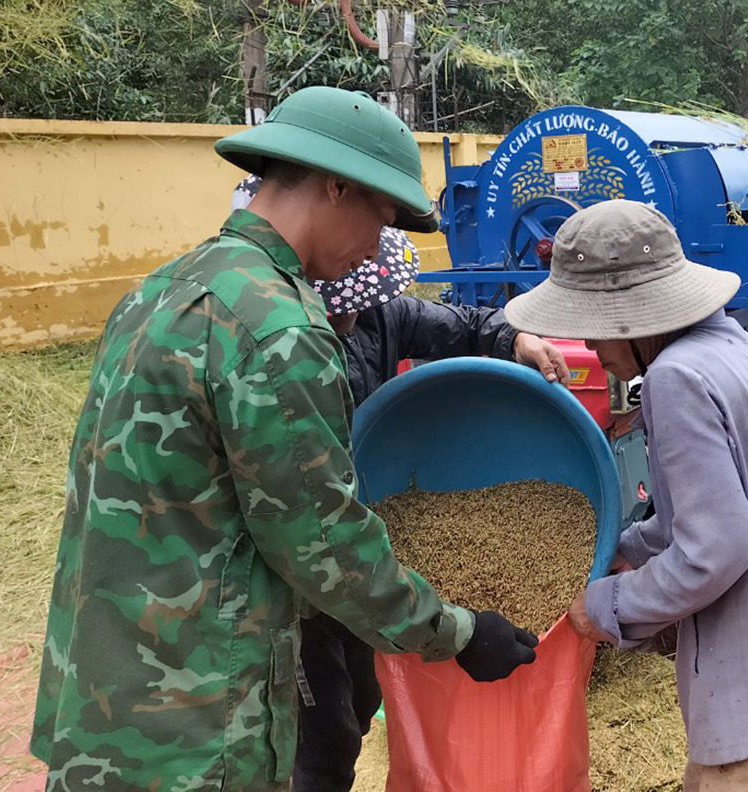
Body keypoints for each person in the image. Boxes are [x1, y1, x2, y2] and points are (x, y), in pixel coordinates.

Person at [30, 86, 540, 792]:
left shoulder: (163, 289)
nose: (376, 246)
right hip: (198, 713)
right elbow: (323, 544)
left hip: (104, 693)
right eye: (382, 217)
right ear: (335, 187)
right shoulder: (278, 328)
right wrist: (455, 633)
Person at [508, 199, 748, 791]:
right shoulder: (732, 345)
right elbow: (716, 503)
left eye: (594, 328)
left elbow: (715, 550)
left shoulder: (675, 378)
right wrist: (633, 547)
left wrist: (607, 606)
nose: (594, 350)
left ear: (628, 315)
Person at [233, 174, 570, 792]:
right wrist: (458, 633)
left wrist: (513, 337)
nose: (354, 312)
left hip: (363, 554)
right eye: (340, 302)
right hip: (299, 576)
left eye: (364, 297)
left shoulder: (378, 316)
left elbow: (455, 325)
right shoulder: (281, 343)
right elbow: (308, 533)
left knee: (359, 700)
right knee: (319, 732)